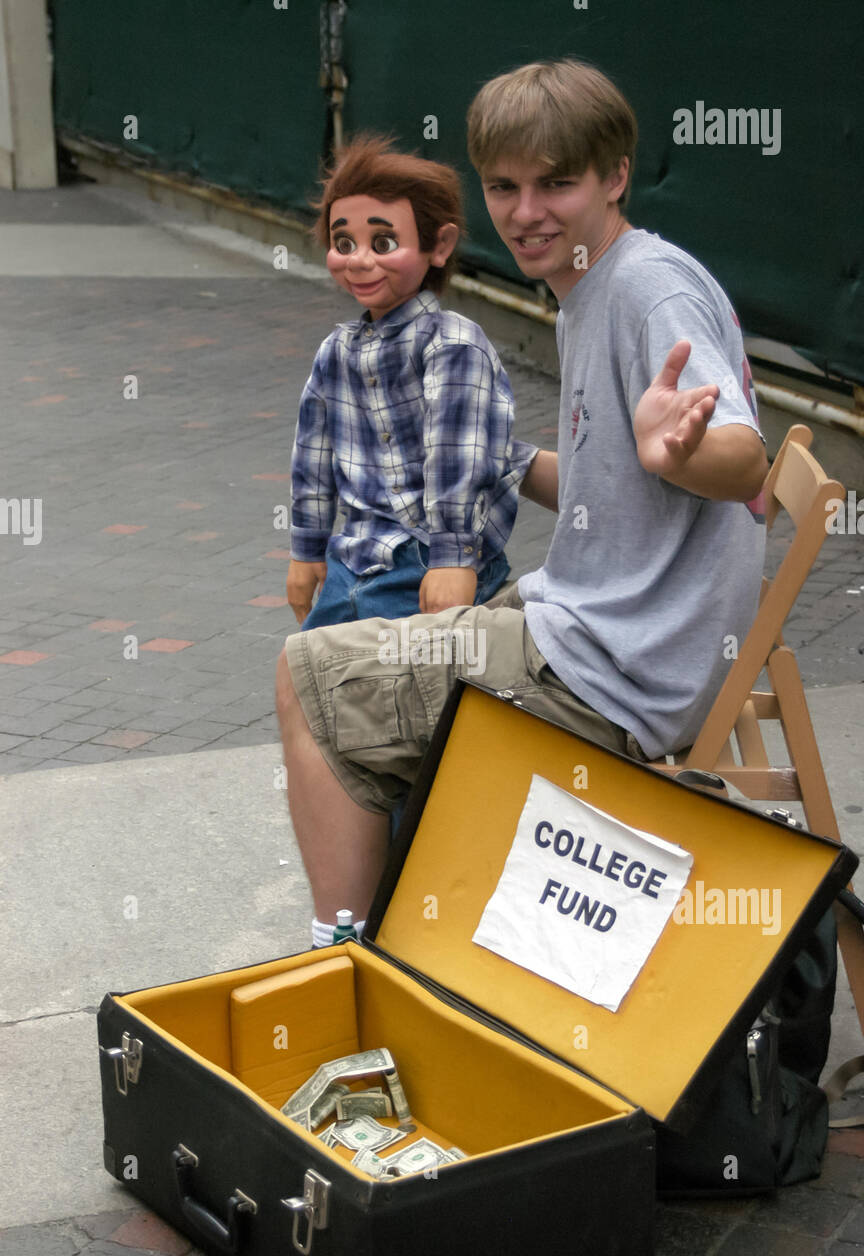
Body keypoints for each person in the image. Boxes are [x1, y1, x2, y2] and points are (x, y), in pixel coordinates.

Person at [276, 58, 769, 949]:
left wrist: (685, 451)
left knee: (305, 679)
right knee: (388, 652)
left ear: (616, 176)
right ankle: (414, 931)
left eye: (557, 183)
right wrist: (503, 461)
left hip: (611, 672)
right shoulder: (592, 287)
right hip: (610, 636)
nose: (526, 212)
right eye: (505, 186)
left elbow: (742, 460)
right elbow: (603, 487)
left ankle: (341, 960)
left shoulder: (647, 291)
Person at [286, 134, 536, 632]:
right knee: (305, 680)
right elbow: (313, 457)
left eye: (383, 243)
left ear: (438, 245)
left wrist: (453, 558)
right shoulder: (336, 352)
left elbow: (458, 458)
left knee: (414, 696)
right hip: (351, 563)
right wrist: (306, 549)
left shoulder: (452, 345)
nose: (359, 259)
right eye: (343, 243)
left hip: (427, 565)